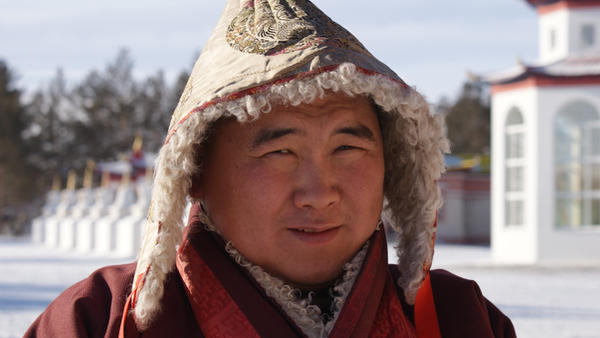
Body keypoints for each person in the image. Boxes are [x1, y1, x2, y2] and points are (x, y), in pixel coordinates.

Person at [26, 1, 516, 337]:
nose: (319, 193)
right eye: (279, 153)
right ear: (194, 171)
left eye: (348, 147)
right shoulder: (103, 320)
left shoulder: (456, 319)